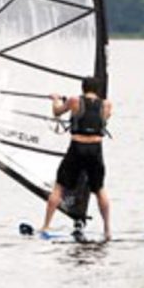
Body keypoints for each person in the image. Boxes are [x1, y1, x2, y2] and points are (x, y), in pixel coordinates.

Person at [41, 76, 113, 240]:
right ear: (98, 90)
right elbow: (103, 120)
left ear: (83, 88)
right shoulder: (107, 104)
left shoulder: (74, 100)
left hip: (77, 148)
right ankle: (107, 230)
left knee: (59, 187)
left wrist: (56, 99)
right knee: (99, 189)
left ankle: (46, 226)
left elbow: (57, 112)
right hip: (95, 150)